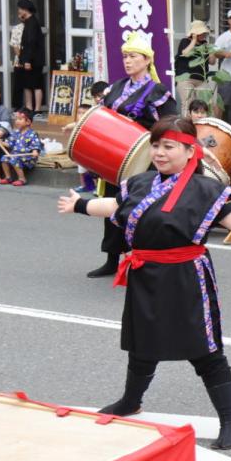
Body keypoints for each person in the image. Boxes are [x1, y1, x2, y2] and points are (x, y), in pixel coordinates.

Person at [56, 116, 231, 449]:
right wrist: (80, 205)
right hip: (145, 274)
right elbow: (116, 207)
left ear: (189, 150)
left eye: (168, 146)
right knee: (142, 345)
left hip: (186, 277)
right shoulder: (141, 182)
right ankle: (130, 401)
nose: (160, 153)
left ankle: (229, 421)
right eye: (156, 145)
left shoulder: (206, 190)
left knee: (205, 351)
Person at [89, 36, 179, 279]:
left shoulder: (158, 92)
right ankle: (111, 259)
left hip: (144, 161)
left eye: (133, 56)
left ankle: (143, 260)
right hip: (114, 158)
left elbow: (172, 125)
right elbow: (101, 118)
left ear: (147, 60)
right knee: (112, 207)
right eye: (125, 56)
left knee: (140, 209)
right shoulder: (116, 87)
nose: (127, 61)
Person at [16, 0, 45, 115]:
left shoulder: (32, 22)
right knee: (27, 84)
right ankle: (29, 108)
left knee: (36, 84)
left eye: (20, 9)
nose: (18, 11)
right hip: (29, 59)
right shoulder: (29, 21)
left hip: (33, 60)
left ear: (25, 9)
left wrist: (28, 60)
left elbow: (31, 42)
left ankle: (37, 109)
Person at [0, 108, 42, 186]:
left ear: (28, 122)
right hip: (16, 154)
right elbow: (10, 144)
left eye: (20, 119)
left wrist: (35, 151)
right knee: (4, 158)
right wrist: (0, 142)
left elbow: (35, 144)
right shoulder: (15, 132)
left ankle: (22, 179)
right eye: (16, 119)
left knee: (14, 159)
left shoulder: (32, 133)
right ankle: (8, 177)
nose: (17, 121)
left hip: (27, 156)